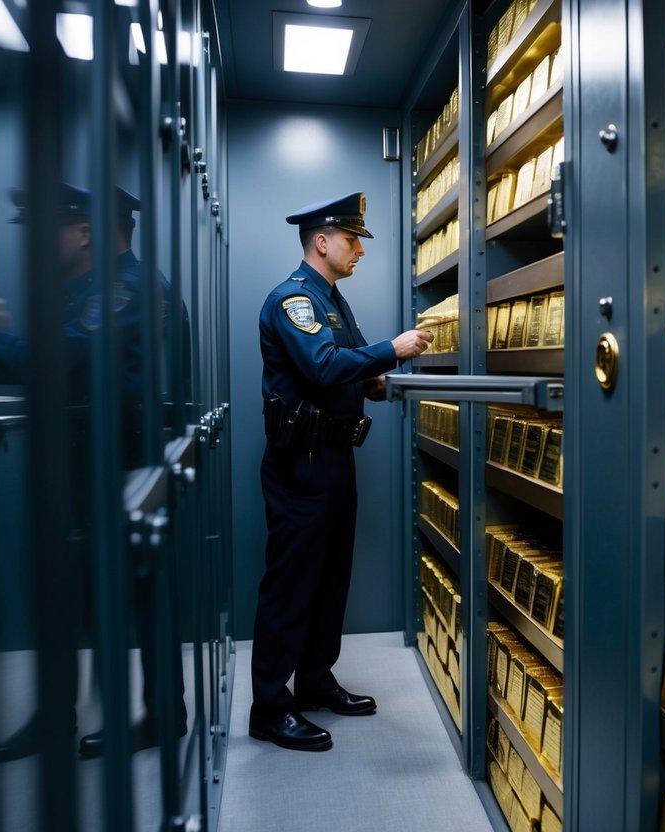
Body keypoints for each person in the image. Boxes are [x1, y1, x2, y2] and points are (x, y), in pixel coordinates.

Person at [0, 183, 187, 760]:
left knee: (138, 593)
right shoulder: (92, 289)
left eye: (52, 227)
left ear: (85, 232)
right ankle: (60, 716)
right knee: (79, 593)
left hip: (117, 465)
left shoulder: (124, 289)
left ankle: (162, 715)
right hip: (91, 464)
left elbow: (61, 357)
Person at [249, 192, 433, 751]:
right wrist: (392, 351)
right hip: (300, 464)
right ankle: (269, 706)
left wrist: (373, 380)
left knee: (330, 577)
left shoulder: (333, 300)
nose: (359, 250)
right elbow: (323, 362)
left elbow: (345, 369)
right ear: (321, 242)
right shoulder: (293, 301)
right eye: (352, 240)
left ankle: (314, 680)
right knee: (292, 584)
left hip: (332, 458)